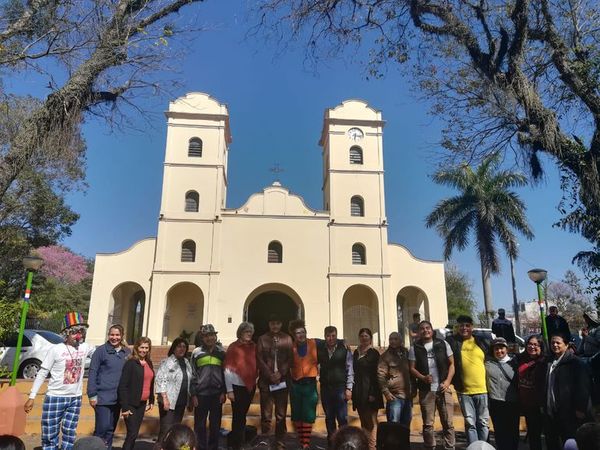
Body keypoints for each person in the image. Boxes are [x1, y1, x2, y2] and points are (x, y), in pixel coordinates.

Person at [24, 312, 95, 450]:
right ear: (66, 333)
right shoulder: (55, 349)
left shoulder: (85, 347)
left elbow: (101, 353)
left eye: (81, 331)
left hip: (75, 398)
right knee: (49, 433)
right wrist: (32, 397)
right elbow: (42, 372)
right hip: (55, 397)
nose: (78, 335)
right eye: (74, 332)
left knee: (70, 433)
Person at [409, 320, 455, 450]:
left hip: (443, 388)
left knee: (448, 423)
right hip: (426, 390)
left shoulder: (442, 344)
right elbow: (411, 368)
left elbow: (452, 364)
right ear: (418, 332)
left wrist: (447, 382)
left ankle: (450, 447)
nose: (425, 330)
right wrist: (422, 377)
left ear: (432, 329)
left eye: (427, 328)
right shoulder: (415, 347)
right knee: (428, 425)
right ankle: (430, 447)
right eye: (422, 329)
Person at [446, 315, 491, 445]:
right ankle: (473, 447)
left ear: (472, 327)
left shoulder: (482, 341)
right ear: (457, 328)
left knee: (483, 423)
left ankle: (484, 447)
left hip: (483, 390)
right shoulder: (452, 342)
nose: (464, 328)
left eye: (467, 325)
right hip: (464, 391)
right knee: (470, 423)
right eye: (461, 326)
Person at [543, 333, 593, 450]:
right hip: (551, 411)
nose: (555, 345)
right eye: (552, 343)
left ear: (566, 345)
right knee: (552, 442)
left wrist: (580, 408)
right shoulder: (549, 362)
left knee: (570, 442)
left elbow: (583, 387)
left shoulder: (576, 363)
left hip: (569, 412)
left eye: (558, 343)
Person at [87, 324, 130, 449]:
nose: (114, 337)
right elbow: (93, 372)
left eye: (117, 335)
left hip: (118, 398)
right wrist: (92, 394)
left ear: (122, 336)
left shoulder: (126, 352)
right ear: (108, 335)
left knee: (111, 429)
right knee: (102, 429)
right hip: (102, 398)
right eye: (112, 334)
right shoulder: (100, 351)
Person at [256, 314, 293, 450]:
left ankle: (280, 443)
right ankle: (265, 441)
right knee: (266, 414)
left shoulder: (287, 339)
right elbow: (259, 359)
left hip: (282, 382)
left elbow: (290, 358)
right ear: (269, 325)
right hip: (267, 382)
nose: (275, 326)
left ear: (281, 324)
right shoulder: (262, 339)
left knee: (281, 415)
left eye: (277, 323)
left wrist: (280, 373)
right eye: (272, 323)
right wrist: (270, 374)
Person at [190, 324, 226, 450]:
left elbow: (225, 374)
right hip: (201, 395)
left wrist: (223, 392)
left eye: (212, 335)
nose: (209, 338)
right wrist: (193, 394)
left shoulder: (221, 353)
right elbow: (192, 374)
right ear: (202, 338)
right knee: (199, 425)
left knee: (215, 425)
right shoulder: (196, 353)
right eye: (206, 336)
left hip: (217, 394)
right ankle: (200, 447)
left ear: (215, 336)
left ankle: (213, 447)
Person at [317, 325, 354, 444]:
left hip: (340, 388)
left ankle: (344, 443)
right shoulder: (320, 348)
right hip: (326, 389)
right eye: (328, 336)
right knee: (329, 417)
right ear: (324, 337)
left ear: (337, 336)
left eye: (333, 336)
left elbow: (350, 369)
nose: (331, 338)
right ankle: (332, 443)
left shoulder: (344, 349)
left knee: (342, 418)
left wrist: (349, 388)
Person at [224, 322, 258, 450]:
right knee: (238, 416)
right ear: (240, 333)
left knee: (242, 415)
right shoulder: (234, 347)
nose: (249, 334)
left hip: (250, 386)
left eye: (250, 332)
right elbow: (228, 369)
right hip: (236, 386)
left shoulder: (254, 347)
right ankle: (237, 444)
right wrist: (229, 390)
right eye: (246, 332)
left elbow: (257, 363)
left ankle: (237, 441)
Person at [118, 336, 155, 450]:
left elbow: (151, 382)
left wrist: (151, 400)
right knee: (132, 433)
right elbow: (122, 386)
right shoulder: (131, 363)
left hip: (142, 404)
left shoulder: (148, 362)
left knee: (133, 435)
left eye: (146, 348)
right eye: (141, 347)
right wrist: (124, 407)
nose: (144, 350)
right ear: (136, 348)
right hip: (131, 404)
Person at [288, 319, 319, 450]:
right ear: (294, 335)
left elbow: (332, 340)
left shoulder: (314, 343)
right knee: (297, 414)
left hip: (310, 384)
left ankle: (305, 443)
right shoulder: (291, 346)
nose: (300, 335)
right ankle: (302, 441)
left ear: (306, 333)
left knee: (308, 414)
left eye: (302, 332)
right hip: (295, 383)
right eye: (297, 333)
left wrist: (343, 342)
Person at [155, 337, 193, 441]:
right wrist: (164, 398)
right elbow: (160, 379)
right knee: (166, 430)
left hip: (181, 401)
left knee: (175, 430)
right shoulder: (167, 362)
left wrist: (191, 399)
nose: (182, 349)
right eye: (179, 346)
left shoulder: (186, 362)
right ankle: (160, 447)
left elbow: (190, 380)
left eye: (184, 347)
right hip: (168, 402)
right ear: (174, 348)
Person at [485, 337, 519, 450]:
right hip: (495, 403)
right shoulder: (488, 363)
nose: (499, 351)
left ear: (507, 349)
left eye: (501, 348)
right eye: (496, 349)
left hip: (512, 403)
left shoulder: (515, 363)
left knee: (513, 431)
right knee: (499, 432)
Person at [352, 328, 383, 450]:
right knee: (364, 421)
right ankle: (365, 445)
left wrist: (373, 393)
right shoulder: (355, 352)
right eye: (362, 336)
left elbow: (376, 375)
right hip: (359, 391)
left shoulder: (374, 353)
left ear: (370, 338)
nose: (364, 338)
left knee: (372, 422)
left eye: (366, 336)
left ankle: (372, 446)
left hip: (371, 391)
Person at [516, 334, 546, 450]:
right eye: (530, 344)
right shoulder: (520, 359)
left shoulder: (545, 362)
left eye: (535, 344)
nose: (532, 347)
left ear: (541, 346)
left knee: (545, 434)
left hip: (540, 405)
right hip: (526, 404)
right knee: (533, 435)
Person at [379, 332, 412, 427]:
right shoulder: (385, 356)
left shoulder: (406, 353)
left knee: (406, 425)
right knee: (394, 425)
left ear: (401, 341)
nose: (392, 341)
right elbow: (381, 376)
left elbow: (411, 372)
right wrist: (386, 393)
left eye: (395, 339)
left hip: (407, 396)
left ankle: (405, 442)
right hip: (394, 397)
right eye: (390, 339)